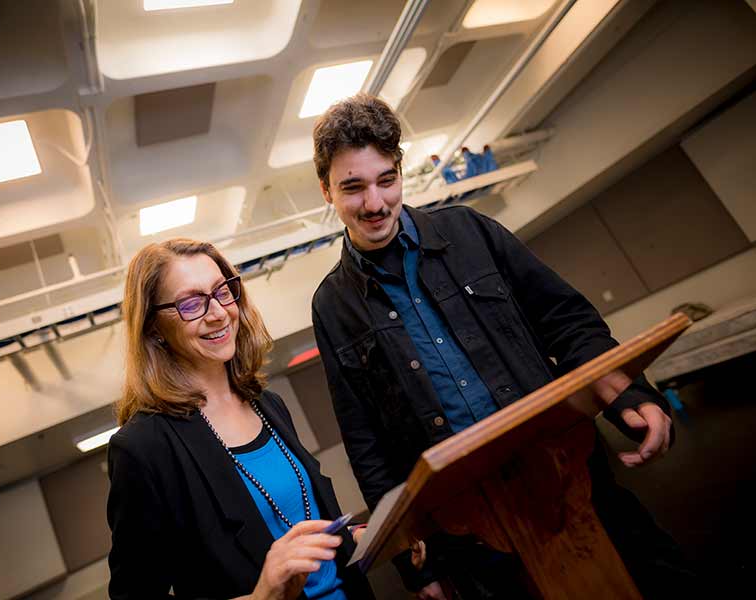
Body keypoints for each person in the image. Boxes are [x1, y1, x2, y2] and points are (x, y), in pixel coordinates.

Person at [310, 94, 696, 599]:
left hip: (570, 473)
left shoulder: (469, 231)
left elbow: (567, 321)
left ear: (401, 170)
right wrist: (418, 565)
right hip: (471, 526)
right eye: (353, 188)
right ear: (326, 191)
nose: (376, 203)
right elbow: (367, 443)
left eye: (387, 179)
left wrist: (630, 395)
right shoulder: (332, 306)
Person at [107, 239, 374, 600]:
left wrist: (360, 538)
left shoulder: (268, 404)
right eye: (191, 303)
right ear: (154, 328)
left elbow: (299, 527)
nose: (217, 312)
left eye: (222, 291)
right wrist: (260, 596)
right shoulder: (143, 447)